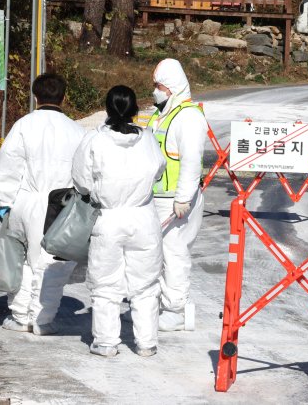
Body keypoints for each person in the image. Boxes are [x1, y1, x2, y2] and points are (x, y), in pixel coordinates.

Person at [72, 85, 165, 357]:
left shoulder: (94, 140)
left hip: (108, 217)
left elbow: (81, 180)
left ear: (107, 109)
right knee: (146, 283)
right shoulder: (148, 139)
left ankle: (106, 342)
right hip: (144, 217)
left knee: (105, 282)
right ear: (136, 109)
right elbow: (158, 171)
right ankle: (146, 343)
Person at [0, 73, 86, 335]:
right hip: (60, 206)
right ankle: (43, 319)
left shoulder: (23, 125)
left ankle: (20, 315)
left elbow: (8, 164)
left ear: (35, 97)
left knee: (21, 260)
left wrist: (3, 202)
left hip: (25, 201)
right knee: (53, 264)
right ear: (64, 97)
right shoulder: (78, 131)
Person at [148, 59, 208, 332]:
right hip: (156, 198)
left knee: (174, 254)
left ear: (171, 87)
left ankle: (175, 310)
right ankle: (155, 305)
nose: (155, 91)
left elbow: (191, 161)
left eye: (158, 86)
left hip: (176, 202)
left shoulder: (189, 117)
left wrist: (183, 197)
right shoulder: (161, 114)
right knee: (155, 256)